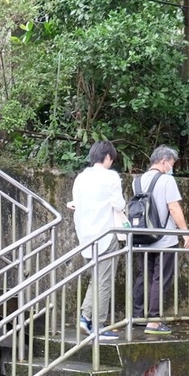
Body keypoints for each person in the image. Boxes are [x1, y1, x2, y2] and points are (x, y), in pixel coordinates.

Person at [131, 145, 189, 335]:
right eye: (171, 164)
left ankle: (138, 316)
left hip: (142, 238)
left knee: (145, 277)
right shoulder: (167, 180)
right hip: (164, 239)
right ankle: (154, 322)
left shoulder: (137, 181)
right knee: (161, 279)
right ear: (164, 161)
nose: (171, 167)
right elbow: (174, 208)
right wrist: (185, 233)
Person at [71, 140, 126, 340]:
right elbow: (119, 204)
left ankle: (85, 317)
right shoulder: (110, 177)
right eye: (112, 159)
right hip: (105, 234)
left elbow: (75, 203)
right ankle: (98, 326)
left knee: (96, 278)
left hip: (85, 236)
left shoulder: (81, 178)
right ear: (108, 157)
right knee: (104, 281)